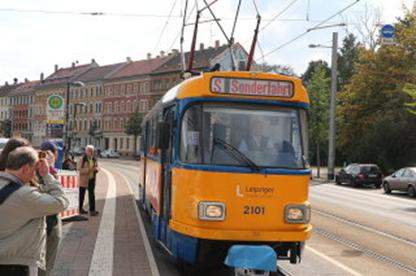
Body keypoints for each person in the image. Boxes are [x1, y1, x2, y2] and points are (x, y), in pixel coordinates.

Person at [0, 146, 69, 276]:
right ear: (26, 169)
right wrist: (46, 175)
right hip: (16, 265)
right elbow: (61, 201)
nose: (34, 174)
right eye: (33, 170)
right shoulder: (26, 196)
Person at [38, 141, 63, 276]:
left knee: (47, 262)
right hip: (45, 224)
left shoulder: (52, 172)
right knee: (43, 264)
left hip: (51, 222)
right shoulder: (38, 171)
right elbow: (61, 201)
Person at [78, 145, 99, 216]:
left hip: (92, 179)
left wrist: (97, 169)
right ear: (86, 151)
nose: (91, 152)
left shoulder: (94, 159)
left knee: (92, 195)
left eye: (92, 151)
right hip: (83, 180)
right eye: (89, 151)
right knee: (81, 195)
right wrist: (90, 169)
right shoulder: (82, 159)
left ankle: (92, 210)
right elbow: (79, 170)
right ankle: (80, 209)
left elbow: (97, 167)